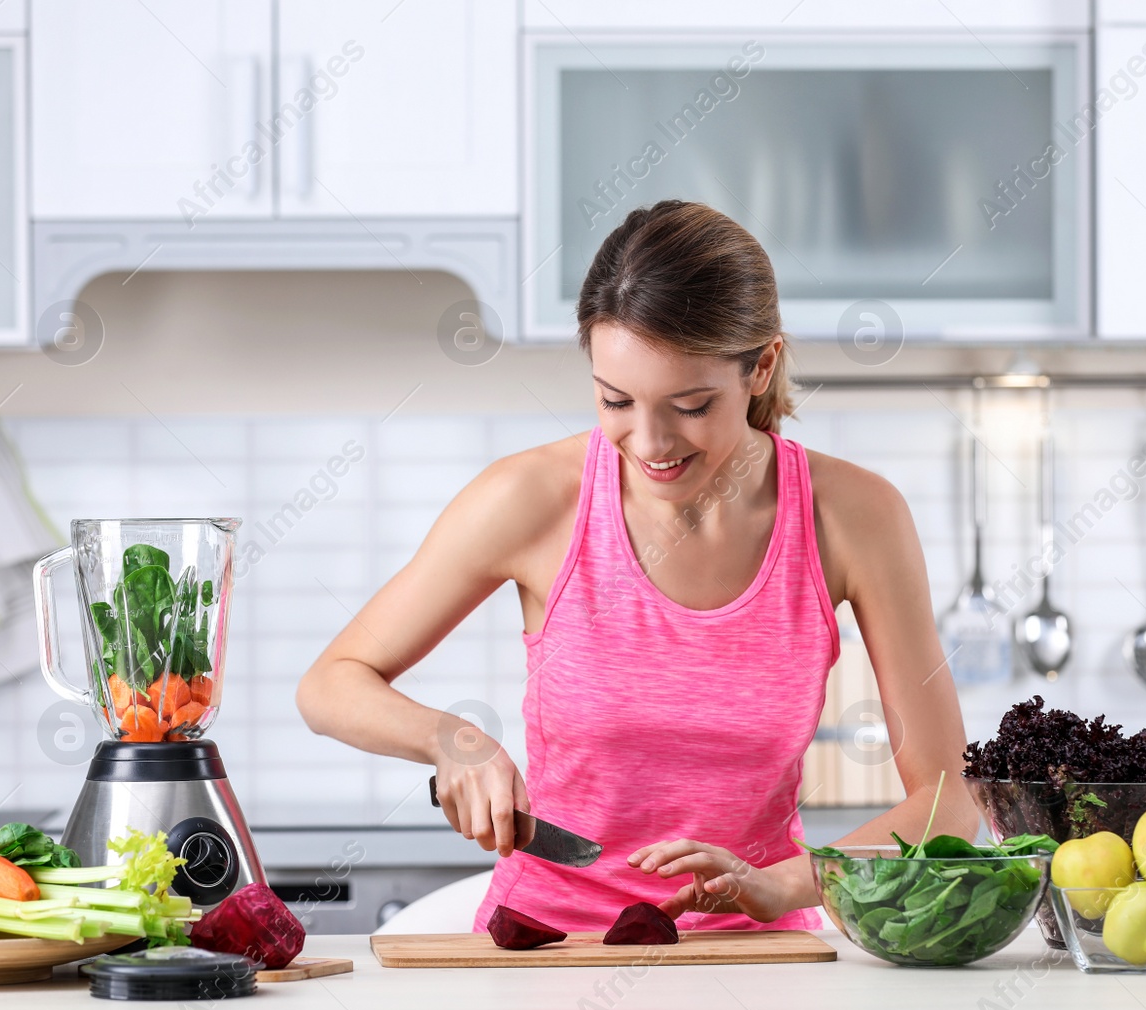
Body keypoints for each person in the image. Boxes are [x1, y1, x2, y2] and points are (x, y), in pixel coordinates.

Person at [297, 199, 977, 932]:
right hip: (547, 951)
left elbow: (949, 798)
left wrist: (790, 882)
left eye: (690, 405)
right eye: (615, 400)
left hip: (755, 962)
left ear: (763, 366)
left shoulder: (855, 516)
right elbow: (331, 683)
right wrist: (452, 739)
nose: (650, 442)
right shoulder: (531, 499)